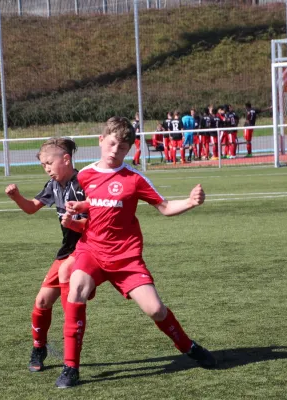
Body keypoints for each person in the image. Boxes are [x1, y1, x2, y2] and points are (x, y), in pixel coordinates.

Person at [55, 117, 217, 389]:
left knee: (155, 309)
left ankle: (188, 347)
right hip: (91, 251)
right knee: (76, 290)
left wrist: (190, 202)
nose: (114, 151)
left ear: (128, 150)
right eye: (111, 143)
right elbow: (91, 208)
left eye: (122, 147)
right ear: (101, 141)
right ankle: (71, 367)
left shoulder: (134, 179)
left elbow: (164, 207)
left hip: (126, 258)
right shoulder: (84, 175)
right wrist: (76, 211)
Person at [5, 137, 89, 373]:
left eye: (48, 163)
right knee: (41, 301)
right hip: (66, 251)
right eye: (43, 165)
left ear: (66, 159)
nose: (47, 169)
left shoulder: (82, 184)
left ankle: (71, 355)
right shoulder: (53, 185)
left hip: (86, 250)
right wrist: (16, 197)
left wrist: (74, 223)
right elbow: (31, 207)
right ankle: (39, 347)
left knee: (69, 305)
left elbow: (96, 225)